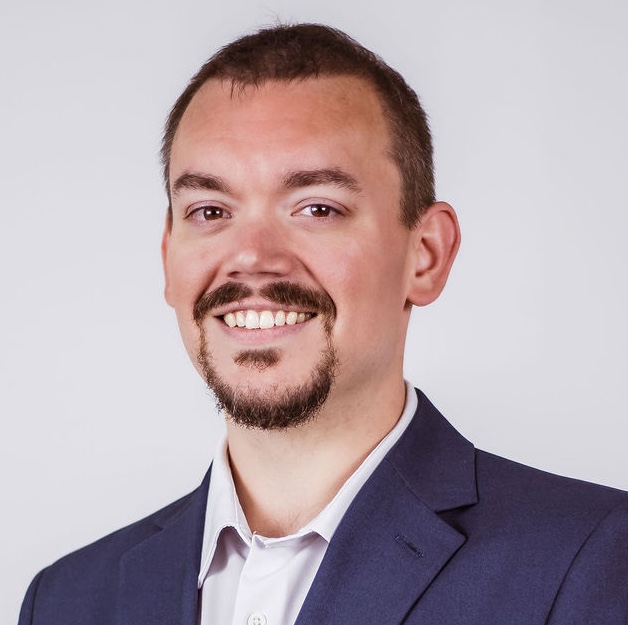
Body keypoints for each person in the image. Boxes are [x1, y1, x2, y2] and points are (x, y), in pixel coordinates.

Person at [19, 23, 628, 625]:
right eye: (209, 210)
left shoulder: (593, 561)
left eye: (317, 208)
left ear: (426, 255)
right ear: (168, 256)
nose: (252, 257)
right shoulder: (65, 601)